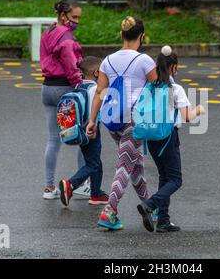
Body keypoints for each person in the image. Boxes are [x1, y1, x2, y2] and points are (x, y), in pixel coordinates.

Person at [86, 16, 158, 231]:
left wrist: (92, 120)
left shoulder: (107, 60)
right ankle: (109, 211)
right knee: (125, 166)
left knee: (135, 165)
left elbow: (99, 92)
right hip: (135, 120)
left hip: (113, 120)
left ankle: (152, 209)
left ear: (121, 35)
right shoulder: (145, 61)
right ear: (142, 36)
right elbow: (158, 90)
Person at [137, 46, 206, 233]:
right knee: (175, 180)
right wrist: (199, 109)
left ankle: (163, 220)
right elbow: (187, 117)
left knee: (164, 176)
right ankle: (149, 205)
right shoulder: (175, 89)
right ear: (173, 67)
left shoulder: (149, 87)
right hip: (168, 136)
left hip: (151, 137)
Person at [40, 0, 89, 200]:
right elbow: (72, 69)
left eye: (79, 18)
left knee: (53, 139)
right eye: (74, 17)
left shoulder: (49, 31)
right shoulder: (68, 39)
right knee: (83, 135)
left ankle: (49, 187)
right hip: (66, 90)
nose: (77, 21)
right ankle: (81, 183)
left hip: (47, 88)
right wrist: (84, 86)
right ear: (63, 15)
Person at [58, 56, 109, 207]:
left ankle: (96, 193)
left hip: (79, 130)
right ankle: (71, 184)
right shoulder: (95, 89)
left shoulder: (78, 87)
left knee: (94, 161)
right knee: (93, 163)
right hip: (91, 129)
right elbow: (102, 107)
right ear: (96, 73)